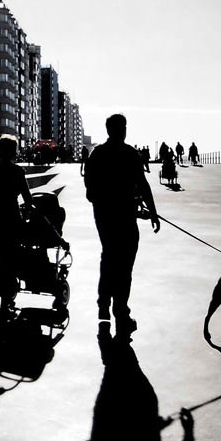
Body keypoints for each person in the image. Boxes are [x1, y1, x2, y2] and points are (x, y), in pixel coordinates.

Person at [84, 114, 159, 332]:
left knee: (108, 256)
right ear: (122, 129)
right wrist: (152, 212)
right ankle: (120, 311)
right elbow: (143, 184)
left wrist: (105, 202)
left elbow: (90, 192)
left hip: (104, 217)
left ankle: (103, 305)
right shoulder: (129, 154)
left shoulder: (97, 154)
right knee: (124, 264)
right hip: (125, 217)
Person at [0, 134, 33, 314]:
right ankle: (2, 303)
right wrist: (27, 210)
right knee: (7, 260)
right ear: (13, 152)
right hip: (10, 218)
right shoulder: (17, 171)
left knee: (2, 258)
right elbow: (28, 198)